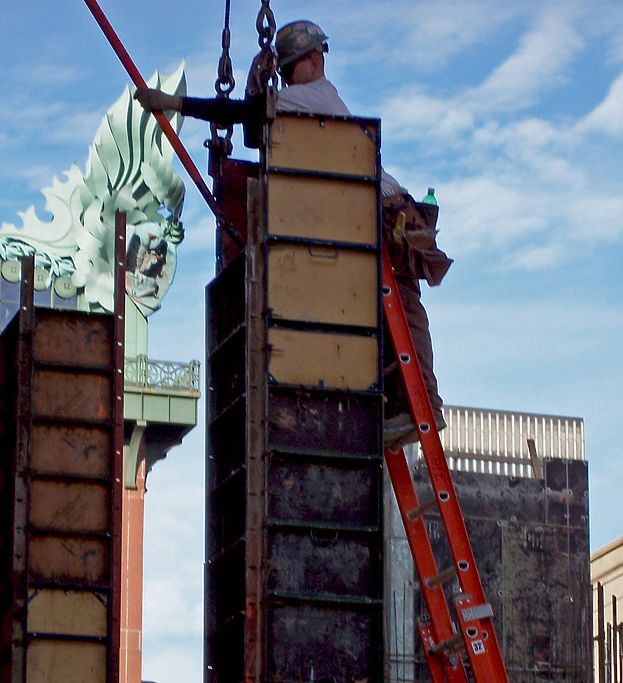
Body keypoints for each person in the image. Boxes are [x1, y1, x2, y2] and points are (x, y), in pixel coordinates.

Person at [135, 20, 451, 448]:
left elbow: (248, 115)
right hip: (375, 207)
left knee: (400, 310)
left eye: (287, 70)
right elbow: (256, 132)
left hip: (386, 208)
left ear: (313, 62)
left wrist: (178, 103)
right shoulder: (304, 102)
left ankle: (420, 407)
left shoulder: (314, 95)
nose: (283, 80)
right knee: (379, 315)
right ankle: (408, 407)